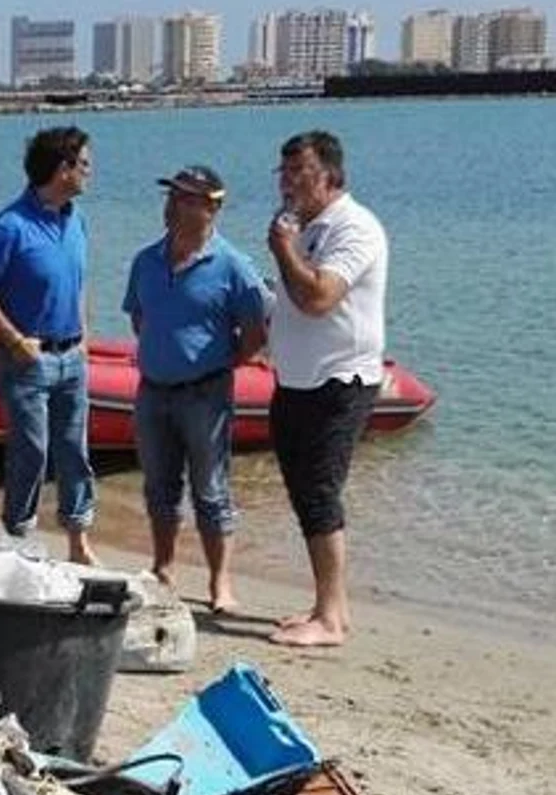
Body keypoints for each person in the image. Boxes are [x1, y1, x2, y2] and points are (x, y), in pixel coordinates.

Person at [122, 165, 269, 613]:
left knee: (211, 489)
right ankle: (163, 565)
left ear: (212, 207)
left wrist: (222, 363)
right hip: (153, 390)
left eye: (186, 198)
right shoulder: (146, 260)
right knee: (159, 486)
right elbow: (139, 318)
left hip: (205, 393)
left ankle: (219, 582)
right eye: (172, 196)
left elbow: (255, 332)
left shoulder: (235, 267)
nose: (173, 206)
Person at [263, 129, 390, 647]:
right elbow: (293, 298)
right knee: (302, 492)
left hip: (340, 380)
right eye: (284, 172)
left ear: (331, 176)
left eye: (301, 172)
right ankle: (324, 605)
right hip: (295, 379)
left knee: (320, 492)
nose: (289, 183)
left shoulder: (354, 227)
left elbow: (320, 297)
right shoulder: (307, 228)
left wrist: (283, 249)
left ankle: (333, 619)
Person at [0, 127, 99, 564]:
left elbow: (78, 283)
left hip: (72, 355)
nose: (89, 171)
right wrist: (15, 340)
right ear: (62, 170)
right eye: (83, 163)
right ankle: (19, 538)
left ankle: (79, 542)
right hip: (28, 359)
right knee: (32, 451)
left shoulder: (75, 218)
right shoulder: (10, 226)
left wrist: (84, 335)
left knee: (75, 449)